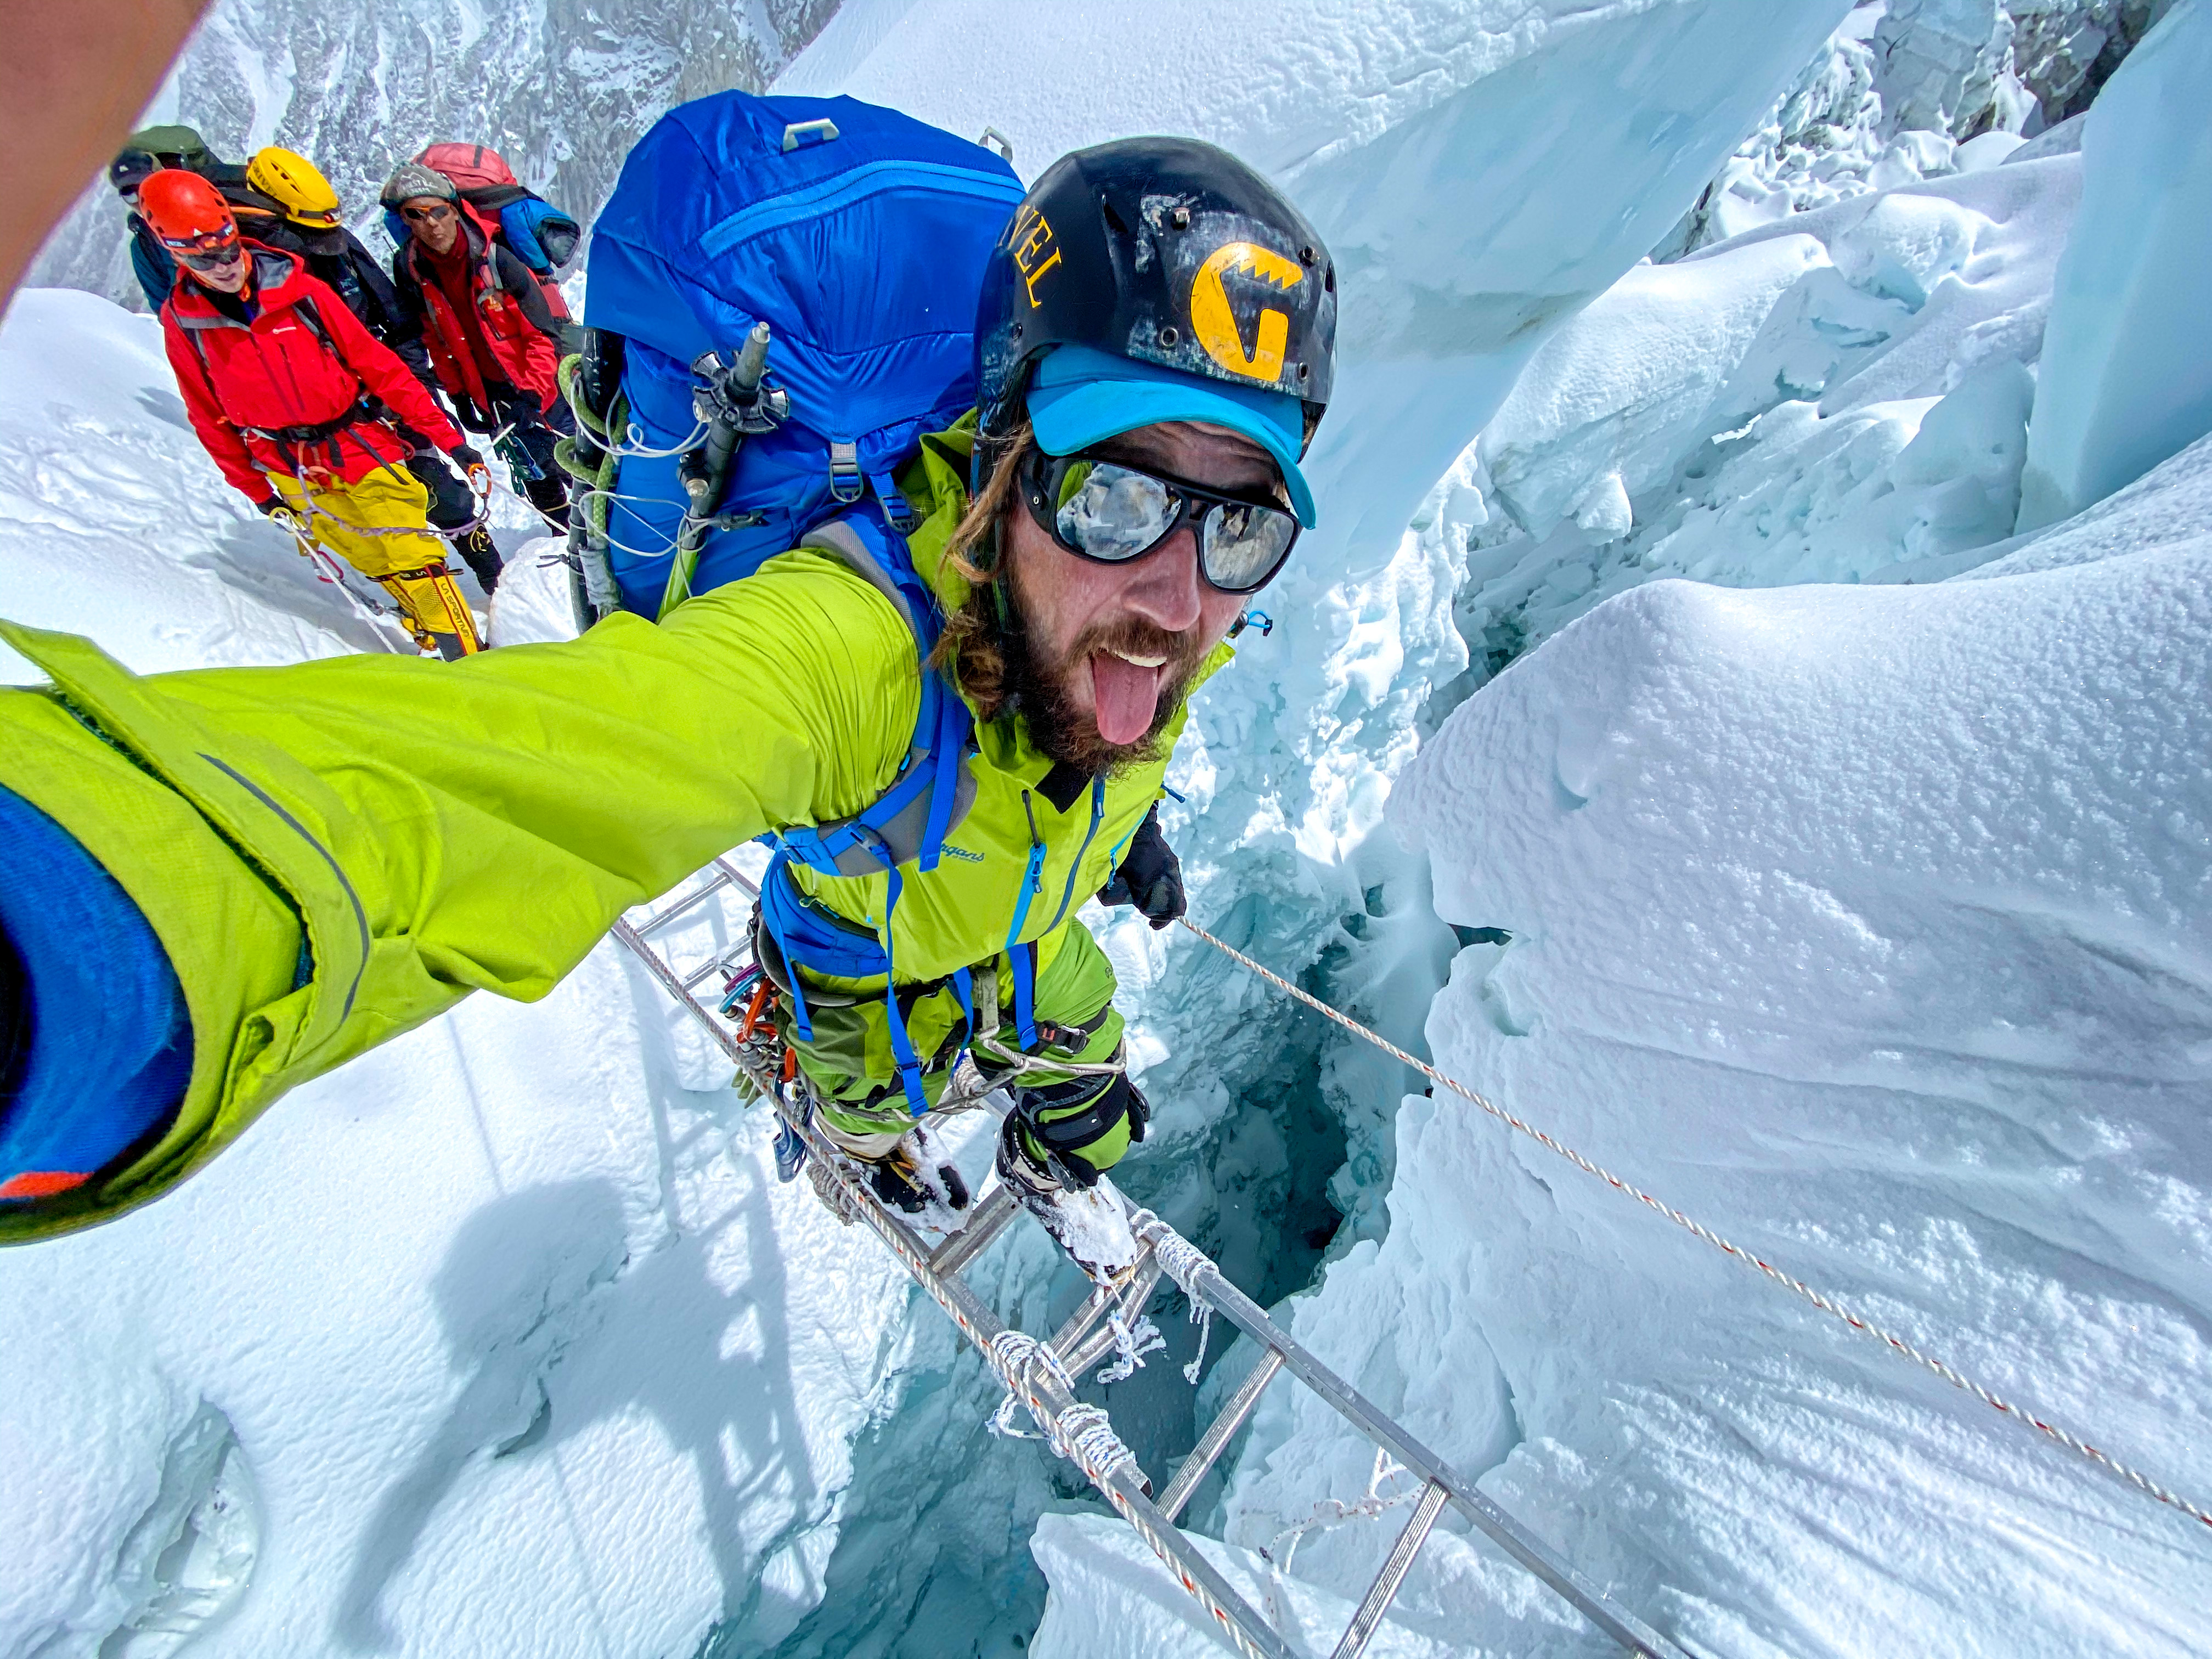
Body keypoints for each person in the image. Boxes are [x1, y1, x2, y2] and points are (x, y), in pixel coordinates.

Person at [0, 137, 1331, 1244]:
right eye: (1112, 495)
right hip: (861, 926)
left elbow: (1151, 616)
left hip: (1006, 900)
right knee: (875, 1081)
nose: (1178, 602)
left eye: (1242, 529)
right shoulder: (845, 652)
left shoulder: (1142, 599)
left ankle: (1051, 1130)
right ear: (1001, 464)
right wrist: (89, 935)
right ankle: (875, 1153)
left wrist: (1118, 807)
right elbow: (519, 773)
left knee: (1082, 1056)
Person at [138, 168, 490, 661]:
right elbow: (208, 415)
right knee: (367, 553)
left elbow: (382, 369)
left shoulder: (301, 291)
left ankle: (470, 656)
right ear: (176, 255)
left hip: (359, 442)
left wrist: (449, 441)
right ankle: (429, 628)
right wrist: (259, 493)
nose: (223, 265)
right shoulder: (186, 323)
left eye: (226, 247)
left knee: (413, 553)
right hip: (290, 465)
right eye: (204, 257)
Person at [245, 146, 505, 594]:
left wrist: (411, 386)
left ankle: (485, 584)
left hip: (383, 395)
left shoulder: (333, 252)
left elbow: (396, 318)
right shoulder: (261, 275)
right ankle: (460, 593)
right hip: (335, 421)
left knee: (432, 488)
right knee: (404, 505)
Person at [380, 161, 574, 529]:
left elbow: (541, 334)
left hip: (543, 388)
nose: (431, 224)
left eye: (438, 212)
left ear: (454, 210)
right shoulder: (414, 269)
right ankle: (563, 537)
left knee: (577, 461)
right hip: (493, 395)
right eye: (417, 215)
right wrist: (459, 395)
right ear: (405, 221)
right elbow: (435, 338)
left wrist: (531, 394)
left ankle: (607, 533)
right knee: (535, 470)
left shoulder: (498, 260)